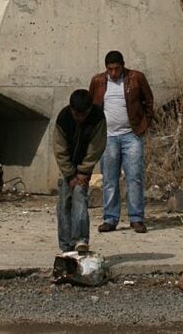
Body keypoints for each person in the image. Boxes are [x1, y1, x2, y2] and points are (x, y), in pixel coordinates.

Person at [89, 50, 154, 234]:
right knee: (109, 179)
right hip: (108, 137)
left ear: (123, 65)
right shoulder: (98, 82)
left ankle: (136, 218)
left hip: (131, 135)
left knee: (135, 177)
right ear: (106, 69)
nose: (114, 73)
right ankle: (110, 218)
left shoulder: (136, 78)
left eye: (117, 69)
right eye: (110, 69)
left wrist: (144, 125)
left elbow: (148, 101)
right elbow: (93, 107)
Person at [53, 88, 107, 255]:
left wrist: (83, 171)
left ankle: (81, 240)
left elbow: (96, 147)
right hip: (67, 165)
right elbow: (59, 148)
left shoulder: (97, 117)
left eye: (83, 114)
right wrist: (69, 174)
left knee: (79, 196)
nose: (80, 118)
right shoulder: (63, 118)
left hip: (84, 164)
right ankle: (66, 245)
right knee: (64, 202)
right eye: (77, 114)